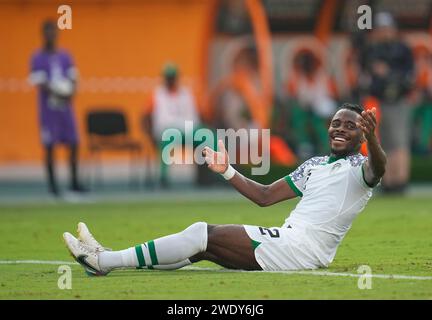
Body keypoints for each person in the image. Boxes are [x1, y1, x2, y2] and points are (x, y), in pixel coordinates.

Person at [63, 103, 386, 274]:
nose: (340, 129)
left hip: (302, 249)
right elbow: (264, 196)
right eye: (336, 123)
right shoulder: (314, 165)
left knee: (203, 232)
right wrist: (227, 170)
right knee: (200, 247)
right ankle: (107, 260)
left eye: (350, 126)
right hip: (288, 240)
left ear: (362, 135)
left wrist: (373, 139)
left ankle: (103, 261)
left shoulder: (359, 170)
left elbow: (379, 167)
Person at [29, 20, 85, 197]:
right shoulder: (37, 57)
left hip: (65, 109)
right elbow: (40, 82)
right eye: (48, 32)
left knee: (74, 143)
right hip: (49, 110)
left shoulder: (65, 56)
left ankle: (74, 182)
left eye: (54, 32)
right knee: (49, 146)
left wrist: (70, 92)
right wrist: (57, 91)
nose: (51, 35)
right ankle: (53, 186)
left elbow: (73, 77)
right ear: (43, 34)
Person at [362, 12, 414, 193]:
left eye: (386, 28)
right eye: (381, 29)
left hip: (398, 99)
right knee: (385, 141)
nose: (384, 32)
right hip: (380, 100)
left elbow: (409, 77)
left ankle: (400, 180)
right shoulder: (374, 49)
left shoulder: (402, 49)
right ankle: (389, 181)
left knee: (399, 140)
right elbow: (367, 74)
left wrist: (388, 73)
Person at [143, 63, 208, 188]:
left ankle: (210, 173)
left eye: (172, 77)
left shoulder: (187, 93)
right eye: (168, 77)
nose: (170, 80)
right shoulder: (157, 94)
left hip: (189, 130)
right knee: (168, 139)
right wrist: (150, 134)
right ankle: (163, 177)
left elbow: (201, 113)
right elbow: (145, 116)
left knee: (207, 135)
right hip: (167, 131)